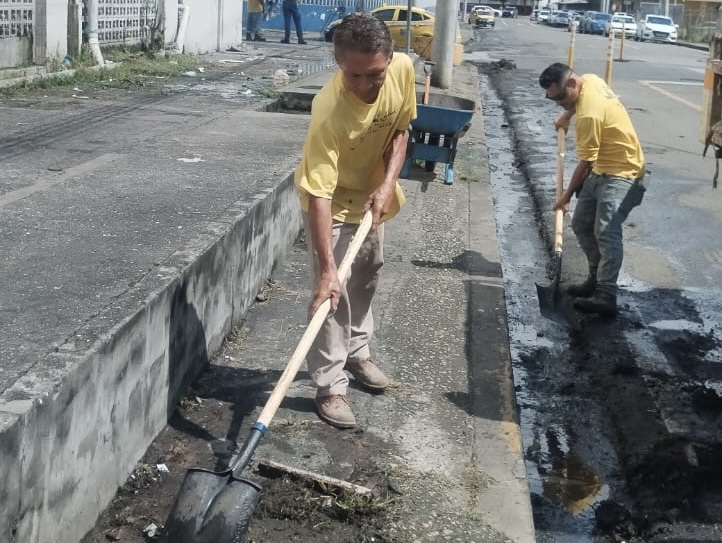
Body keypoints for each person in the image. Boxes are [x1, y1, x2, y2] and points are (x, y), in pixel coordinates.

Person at [294, 13, 416, 428]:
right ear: (339, 63)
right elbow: (318, 193)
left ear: (391, 59)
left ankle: (358, 352)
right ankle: (330, 387)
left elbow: (401, 131)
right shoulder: (328, 111)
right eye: (355, 76)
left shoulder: (402, 71)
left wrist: (387, 185)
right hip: (330, 202)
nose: (366, 86)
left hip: (371, 196)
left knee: (366, 275)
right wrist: (326, 268)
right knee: (332, 295)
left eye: (375, 75)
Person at [538, 63, 647, 317]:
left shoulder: (589, 115)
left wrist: (565, 197)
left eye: (562, 98)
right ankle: (595, 278)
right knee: (582, 224)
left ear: (573, 84)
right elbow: (591, 163)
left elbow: (585, 163)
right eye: (552, 99)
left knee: (606, 232)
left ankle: (606, 294)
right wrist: (566, 115)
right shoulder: (590, 79)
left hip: (624, 173)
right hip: (602, 169)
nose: (558, 103)